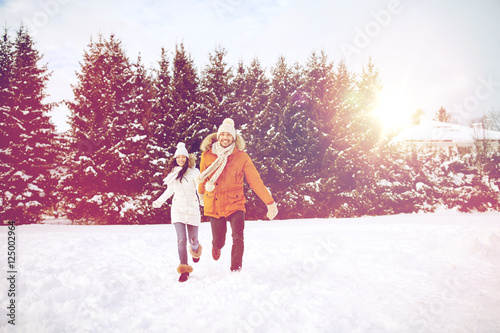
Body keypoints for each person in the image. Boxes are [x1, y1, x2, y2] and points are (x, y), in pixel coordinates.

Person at [197, 118, 278, 272]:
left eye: (229, 135)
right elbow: (202, 177)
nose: (225, 138)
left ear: (233, 137)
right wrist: (201, 195)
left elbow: (255, 181)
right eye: (222, 135)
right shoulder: (207, 155)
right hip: (214, 202)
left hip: (235, 203)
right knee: (219, 241)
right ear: (218, 136)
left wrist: (270, 203)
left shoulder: (242, 157)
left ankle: (236, 268)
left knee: (238, 236)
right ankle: (216, 246)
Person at [153, 142, 203, 282]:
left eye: (183, 157)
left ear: (187, 158)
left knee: (194, 240)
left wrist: (203, 201)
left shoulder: (194, 172)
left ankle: (195, 250)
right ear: (175, 159)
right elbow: (169, 191)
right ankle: (184, 268)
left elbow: (199, 189)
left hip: (192, 209)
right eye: (178, 157)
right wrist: (159, 201)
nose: (181, 159)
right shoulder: (172, 174)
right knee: (181, 239)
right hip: (178, 210)